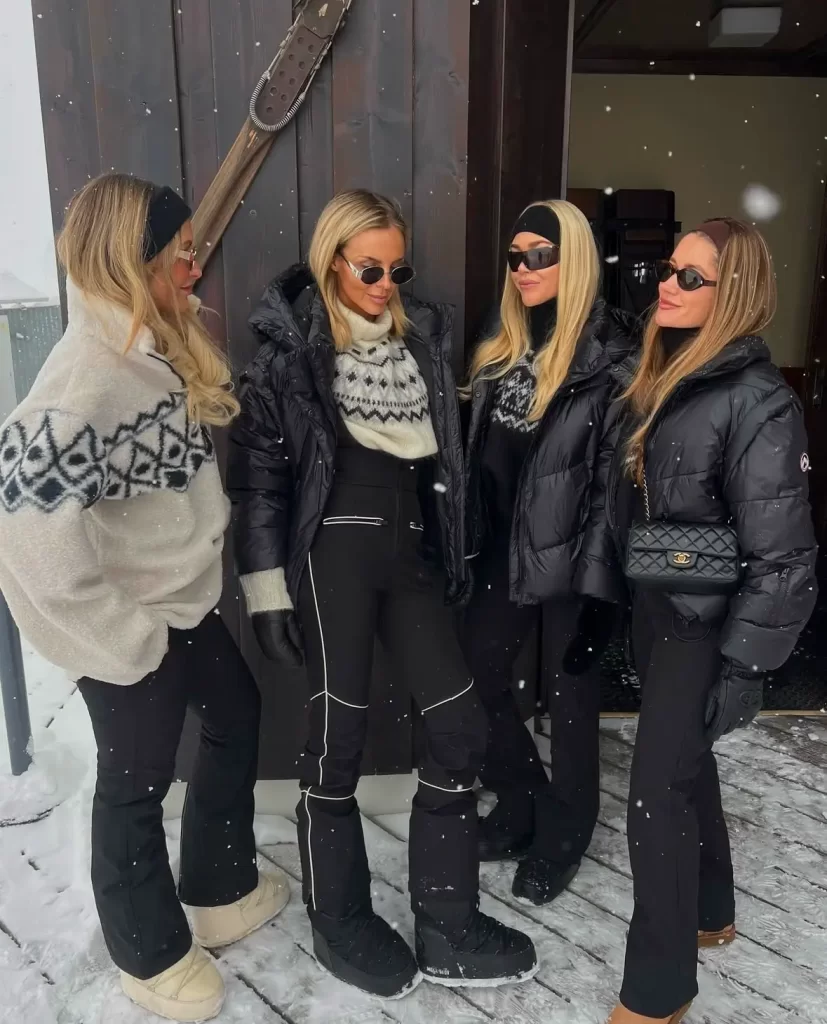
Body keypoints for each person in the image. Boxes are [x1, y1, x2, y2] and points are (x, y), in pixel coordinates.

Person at [228, 189, 537, 998]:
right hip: (333, 553)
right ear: (333, 259)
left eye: (398, 267)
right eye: (371, 267)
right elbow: (259, 482)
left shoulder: (424, 341)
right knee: (337, 739)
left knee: (459, 723)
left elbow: (453, 464)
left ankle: (444, 918)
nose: (387, 282)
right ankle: (339, 917)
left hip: (413, 555)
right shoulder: (290, 354)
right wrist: (265, 592)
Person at [0, 173, 289, 1022]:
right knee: (135, 783)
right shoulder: (80, 382)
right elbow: (26, 539)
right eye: (181, 254)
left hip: (180, 603)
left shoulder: (145, 348)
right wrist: (121, 641)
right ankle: (150, 956)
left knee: (234, 714)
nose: (195, 269)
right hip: (129, 626)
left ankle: (217, 886)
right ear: (134, 263)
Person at [574, 218, 817, 1024]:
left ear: (733, 292)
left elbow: (782, 555)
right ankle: (711, 911)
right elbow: (627, 510)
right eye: (666, 271)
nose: (663, 288)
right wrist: (601, 602)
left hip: (701, 630)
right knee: (683, 770)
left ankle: (657, 990)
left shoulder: (757, 402)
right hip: (658, 608)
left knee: (655, 795)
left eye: (687, 277)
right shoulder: (663, 374)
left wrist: (747, 667)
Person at [462, 199, 635, 906]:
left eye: (539, 254)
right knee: (474, 678)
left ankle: (564, 835)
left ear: (575, 261)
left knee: (570, 704)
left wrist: (598, 594)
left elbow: (610, 484)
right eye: (514, 256)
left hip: (570, 560)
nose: (522, 268)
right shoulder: (499, 342)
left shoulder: (609, 355)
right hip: (499, 549)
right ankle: (519, 801)